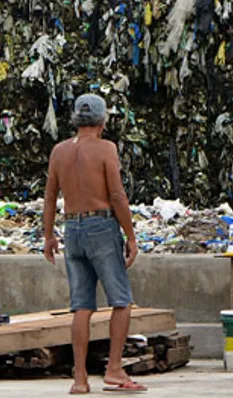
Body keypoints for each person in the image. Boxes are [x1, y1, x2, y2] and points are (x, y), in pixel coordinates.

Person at [42, 93, 146, 394]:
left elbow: (50, 197)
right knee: (121, 301)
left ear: (76, 120)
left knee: (81, 306)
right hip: (101, 225)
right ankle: (113, 370)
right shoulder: (105, 149)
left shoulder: (59, 151)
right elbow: (116, 195)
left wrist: (49, 236)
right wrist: (131, 235)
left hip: (71, 228)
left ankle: (80, 379)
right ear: (102, 122)